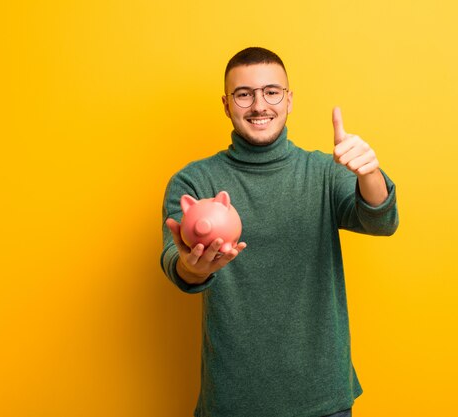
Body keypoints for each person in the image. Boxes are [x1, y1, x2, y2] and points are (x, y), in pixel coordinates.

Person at [160, 47, 399, 417]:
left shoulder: (323, 171)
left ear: (289, 100)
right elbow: (176, 263)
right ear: (226, 104)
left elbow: (381, 222)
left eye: (272, 92)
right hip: (232, 400)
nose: (259, 105)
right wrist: (196, 269)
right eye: (244, 94)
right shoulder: (194, 181)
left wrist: (369, 173)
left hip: (323, 399)